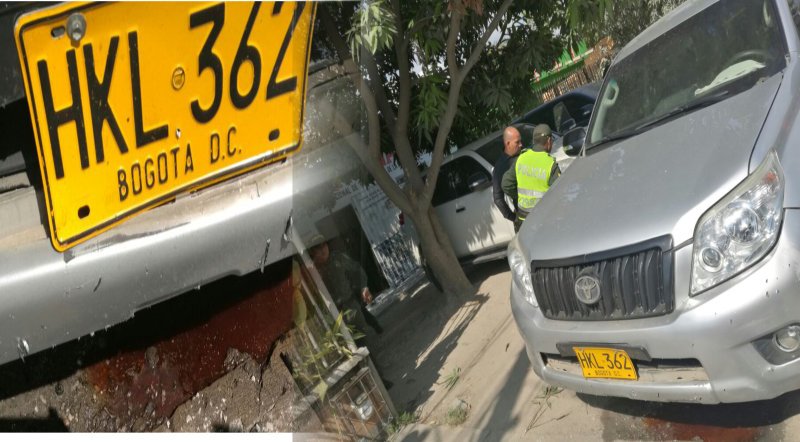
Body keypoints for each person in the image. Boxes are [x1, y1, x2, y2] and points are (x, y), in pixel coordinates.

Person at [309, 237, 384, 339]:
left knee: (362, 323)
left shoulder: (337, 257)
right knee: (352, 338)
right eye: (318, 248)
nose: (323, 250)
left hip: (350, 301)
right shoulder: (313, 270)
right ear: (313, 252)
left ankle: (375, 326)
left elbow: (356, 269)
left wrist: (363, 287)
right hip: (335, 312)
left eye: (324, 245)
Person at [502, 124, 561, 232]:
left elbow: (506, 184)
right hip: (543, 221)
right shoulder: (550, 165)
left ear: (534, 140)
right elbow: (560, 196)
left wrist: (519, 196)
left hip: (523, 221)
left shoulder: (521, 158)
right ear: (548, 141)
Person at [493, 126, 523, 222]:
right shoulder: (500, 167)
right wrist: (513, 217)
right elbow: (498, 199)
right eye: (517, 142)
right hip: (524, 214)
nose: (521, 145)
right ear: (508, 143)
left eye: (520, 141)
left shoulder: (524, 155)